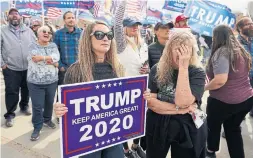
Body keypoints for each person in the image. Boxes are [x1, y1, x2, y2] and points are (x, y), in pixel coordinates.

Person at [54, 21, 124, 158]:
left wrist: (140, 97)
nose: (105, 38)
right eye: (99, 34)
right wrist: (58, 108)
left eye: (109, 35)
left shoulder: (117, 68)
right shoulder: (75, 70)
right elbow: (61, 104)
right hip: (87, 139)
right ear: (88, 39)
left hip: (113, 134)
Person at [143, 31, 207, 158]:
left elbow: (183, 101)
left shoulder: (197, 72)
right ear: (169, 50)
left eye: (186, 50)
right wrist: (179, 110)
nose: (182, 54)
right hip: (158, 125)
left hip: (186, 129)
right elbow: (150, 102)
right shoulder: (158, 69)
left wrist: (183, 67)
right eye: (178, 49)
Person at [205, 25, 253, 158]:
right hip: (246, 99)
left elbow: (220, 80)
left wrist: (203, 88)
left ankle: (210, 151)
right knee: (233, 130)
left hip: (224, 101)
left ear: (217, 37)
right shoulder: (240, 49)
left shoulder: (223, 52)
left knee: (213, 127)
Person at [114, 1, 148, 158]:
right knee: (123, 122)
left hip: (141, 87)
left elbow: (145, 63)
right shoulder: (121, 43)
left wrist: (147, 69)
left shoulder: (143, 44)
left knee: (140, 120)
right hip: (124, 88)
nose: (135, 27)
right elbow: (116, 22)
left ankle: (135, 146)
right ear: (125, 27)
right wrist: (122, 4)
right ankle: (126, 150)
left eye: (137, 25)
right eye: (132, 25)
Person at [1, 8, 36, 127]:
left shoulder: (28, 30)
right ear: (8, 17)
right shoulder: (2, 31)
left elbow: (35, 45)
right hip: (10, 68)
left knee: (27, 89)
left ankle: (24, 106)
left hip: (28, 66)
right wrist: (2, 64)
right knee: (12, 91)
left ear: (20, 17)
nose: (14, 16)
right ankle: (10, 114)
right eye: (11, 14)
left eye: (16, 14)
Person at [27, 25, 59, 141]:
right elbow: (35, 59)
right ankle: (37, 127)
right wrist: (50, 60)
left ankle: (47, 120)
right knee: (37, 106)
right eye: (44, 32)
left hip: (51, 81)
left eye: (49, 32)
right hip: (35, 82)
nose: (47, 33)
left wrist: (43, 58)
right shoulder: (32, 46)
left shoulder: (53, 45)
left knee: (49, 103)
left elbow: (56, 59)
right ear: (38, 34)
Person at [54, 11, 82, 86]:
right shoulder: (58, 34)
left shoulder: (81, 33)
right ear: (64, 20)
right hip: (64, 70)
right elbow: (54, 52)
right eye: (69, 18)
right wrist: (60, 66)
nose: (71, 19)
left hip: (79, 69)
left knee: (79, 93)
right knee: (63, 94)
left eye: (73, 18)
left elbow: (85, 50)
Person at [236, 17, 253, 118]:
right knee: (240, 102)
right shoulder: (236, 43)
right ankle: (232, 127)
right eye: (248, 24)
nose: (251, 26)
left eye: (252, 23)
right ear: (240, 28)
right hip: (242, 77)